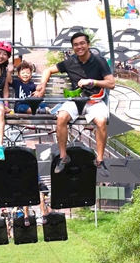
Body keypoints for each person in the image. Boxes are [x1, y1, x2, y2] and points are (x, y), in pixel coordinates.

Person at [38, 32, 115, 176]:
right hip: (76, 100)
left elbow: (111, 84)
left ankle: (99, 160)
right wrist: (43, 84)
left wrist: (92, 82)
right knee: (61, 117)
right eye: (76, 45)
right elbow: (48, 70)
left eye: (82, 43)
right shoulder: (70, 62)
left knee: (101, 121)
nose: (79, 47)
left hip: (94, 101)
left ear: (88, 45)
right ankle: (63, 157)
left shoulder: (99, 61)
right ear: (73, 47)